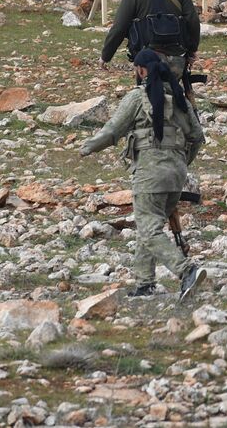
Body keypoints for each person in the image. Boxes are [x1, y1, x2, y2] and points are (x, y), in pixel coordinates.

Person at [78, 49, 208, 299]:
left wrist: (86, 148)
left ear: (141, 70)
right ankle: (144, 283)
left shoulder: (138, 97)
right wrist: (182, 162)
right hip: (176, 174)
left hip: (150, 173)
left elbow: (113, 130)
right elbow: (197, 137)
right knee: (149, 226)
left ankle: (186, 270)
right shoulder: (180, 99)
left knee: (149, 229)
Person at [101, 0, 201, 80]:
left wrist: (105, 56)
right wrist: (192, 50)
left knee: (148, 95)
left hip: (146, 62)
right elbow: (193, 21)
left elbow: (119, 28)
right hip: (177, 59)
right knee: (175, 93)